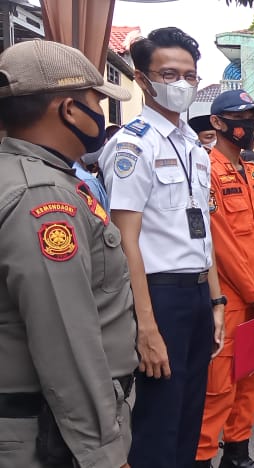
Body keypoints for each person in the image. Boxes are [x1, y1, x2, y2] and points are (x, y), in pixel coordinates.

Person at [0, 39, 137, 468]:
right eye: (96, 101)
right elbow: (65, 335)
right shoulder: (43, 197)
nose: (102, 114)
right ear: (69, 110)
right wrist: (105, 453)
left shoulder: (26, 176)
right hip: (47, 434)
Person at [101, 27, 224, 468]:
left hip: (194, 293)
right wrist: (146, 328)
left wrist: (215, 300)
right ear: (142, 79)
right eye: (168, 74)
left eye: (189, 75)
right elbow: (124, 242)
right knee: (159, 419)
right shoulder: (133, 145)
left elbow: (202, 230)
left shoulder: (195, 146)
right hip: (157, 295)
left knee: (191, 413)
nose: (182, 85)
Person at [196, 90, 254, 468]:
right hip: (231, 300)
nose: (249, 126)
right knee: (218, 388)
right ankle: (202, 456)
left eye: (253, 118)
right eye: (241, 118)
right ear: (218, 123)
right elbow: (218, 242)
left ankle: (237, 453)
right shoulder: (207, 171)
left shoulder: (252, 171)